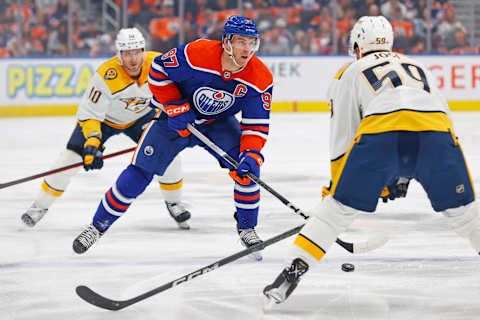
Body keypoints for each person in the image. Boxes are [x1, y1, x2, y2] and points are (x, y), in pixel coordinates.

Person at [263, 16, 480, 304]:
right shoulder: (418, 65)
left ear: (356, 45)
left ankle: (290, 275)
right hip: (437, 135)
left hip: (383, 134)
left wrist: (337, 189)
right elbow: (443, 115)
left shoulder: (350, 71)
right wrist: (409, 171)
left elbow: (345, 136)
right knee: (465, 214)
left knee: (336, 212)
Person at [72, 16, 273, 259]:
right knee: (139, 172)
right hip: (173, 121)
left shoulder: (260, 78)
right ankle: (97, 226)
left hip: (217, 124)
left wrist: (251, 153)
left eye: (252, 43)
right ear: (227, 42)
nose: (248, 49)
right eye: (241, 42)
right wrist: (174, 105)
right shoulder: (196, 53)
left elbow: (255, 126)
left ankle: (247, 228)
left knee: (248, 170)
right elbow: (158, 71)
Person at [21, 27, 192, 230]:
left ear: (144, 51)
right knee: (69, 160)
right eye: (127, 53)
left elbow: (184, 86)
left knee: (168, 156)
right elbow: (90, 114)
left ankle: (174, 202)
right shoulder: (106, 76)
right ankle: (40, 206)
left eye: (137, 52)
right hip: (104, 122)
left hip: (141, 118)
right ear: (119, 54)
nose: (133, 59)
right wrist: (93, 142)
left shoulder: (159, 64)